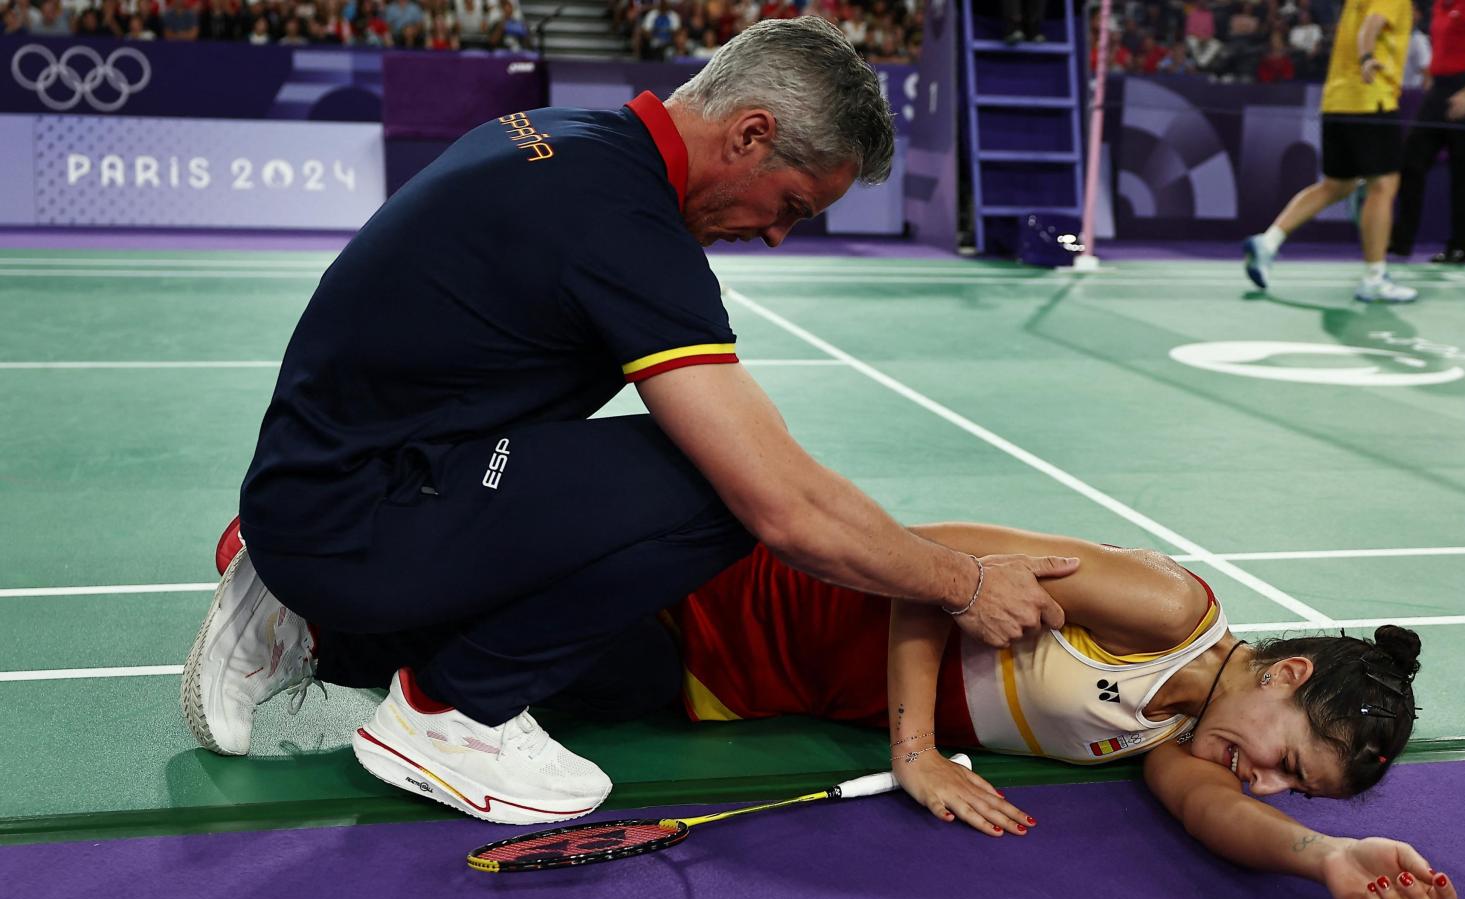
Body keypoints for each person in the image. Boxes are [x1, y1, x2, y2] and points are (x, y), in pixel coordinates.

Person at [181, 17, 1072, 828]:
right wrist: (962, 583)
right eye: (792, 206)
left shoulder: (565, 136)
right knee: (716, 492)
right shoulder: (625, 228)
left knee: (635, 672)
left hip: (335, 479)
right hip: (352, 515)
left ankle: (307, 626)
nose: (776, 238)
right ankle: (453, 713)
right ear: (751, 133)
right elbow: (784, 506)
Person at [660, 524, 1458, 899]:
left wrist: (1327, 857)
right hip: (740, 600)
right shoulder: (1168, 610)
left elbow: (1216, 811)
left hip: (746, 691)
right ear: (1287, 675)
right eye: (1286, 759)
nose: (1267, 782)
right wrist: (917, 753)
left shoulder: (1178, 739)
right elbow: (934, 554)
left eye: (1296, 789)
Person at [1242, 0, 1417, 303]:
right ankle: (1375, 277)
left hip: (1336, 101)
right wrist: (1366, 57)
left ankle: (1268, 242)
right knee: (1383, 186)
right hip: (1370, 98)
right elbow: (1370, 28)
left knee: (1337, 185)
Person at [1389, 0, 1465, 265]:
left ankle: (1461, 246)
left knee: (1463, 169)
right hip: (1439, 89)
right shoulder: (1439, 5)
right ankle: (1401, 241)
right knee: (1411, 162)